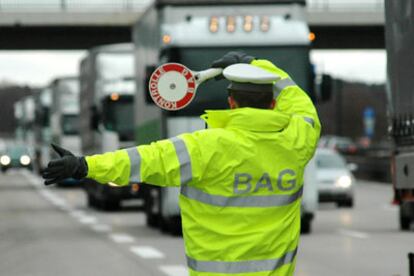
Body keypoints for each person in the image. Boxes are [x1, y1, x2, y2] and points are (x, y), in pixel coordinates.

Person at [42, 51, 321, 276]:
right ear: (272, 105)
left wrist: (84, 166)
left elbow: (143, 160)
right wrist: (255, 64)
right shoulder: (296, 141)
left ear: (231, 102)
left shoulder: (206, 147)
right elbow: (301, 105)